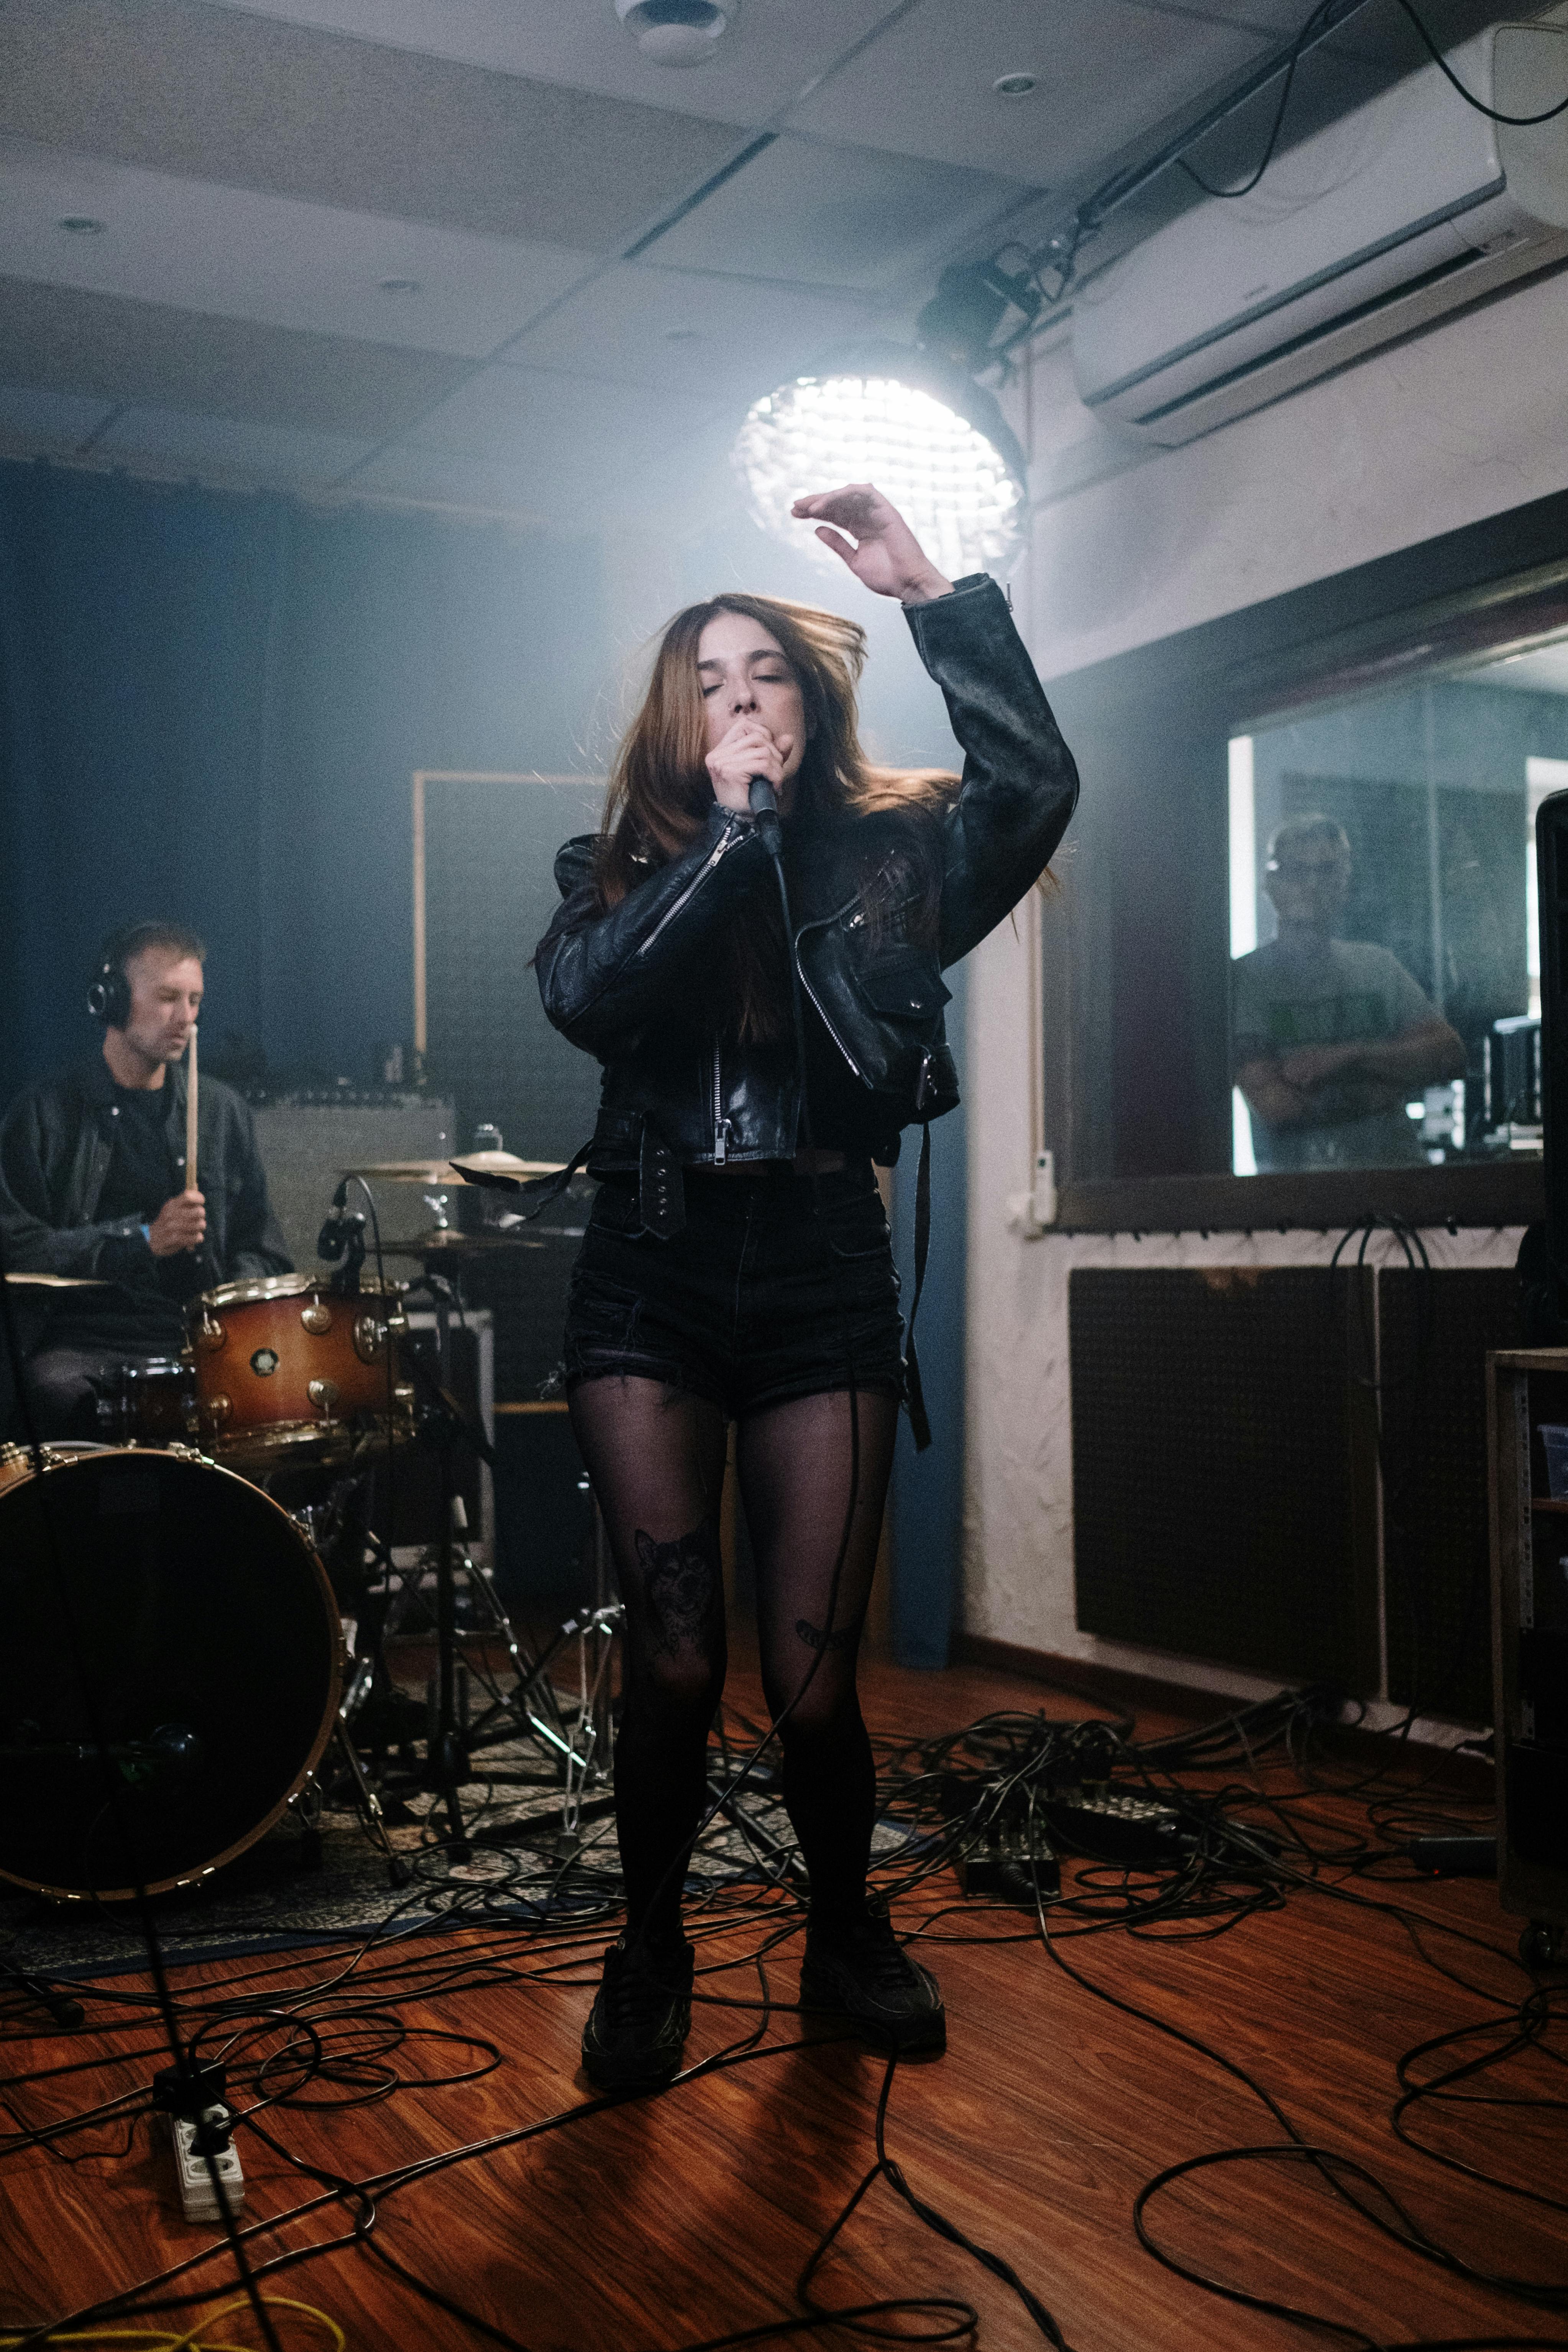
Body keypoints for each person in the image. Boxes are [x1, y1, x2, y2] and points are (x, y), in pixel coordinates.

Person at [533, 483, 1079, 2091]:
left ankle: (842, 1934)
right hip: (650, 1272)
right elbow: (596, 1003)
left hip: (821, 1272)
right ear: (669, 720)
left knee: (812, 1675)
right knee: (678, 1658)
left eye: (761, 673)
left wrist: (935, 594)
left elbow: (1036, 784)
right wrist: (738, 835)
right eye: (705, 682)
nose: (738, 700)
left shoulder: (900, 861)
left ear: (809, 696)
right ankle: (649, 1953)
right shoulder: (614, 866)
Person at [0, 921, 290, 1437]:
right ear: (109, 1001)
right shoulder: (44, 1114)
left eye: (195, 1001)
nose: (187, 1020)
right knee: (52, 1394)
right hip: (79, 1344)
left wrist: (231, 1294)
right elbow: (14, 1246)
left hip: (194, 1341)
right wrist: (140, 1242)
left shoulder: (221, 1113)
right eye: (167, 998)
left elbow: (265, 1249)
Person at [1232, 815, 1466, 1171]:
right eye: (1298, 870)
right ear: (1272, 882)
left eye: (1326, 871)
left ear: (1344, 882)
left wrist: (1349, 1055)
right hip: (1303, 1202)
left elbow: (1449, 1054)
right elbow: (1277, 1107)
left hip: (1402, 1186)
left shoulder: (1377, 966)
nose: (1312, 884)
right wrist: (1381, 1087)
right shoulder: (1245, 979)